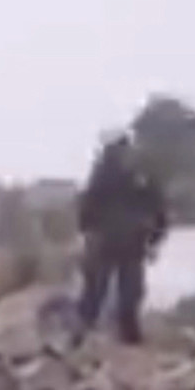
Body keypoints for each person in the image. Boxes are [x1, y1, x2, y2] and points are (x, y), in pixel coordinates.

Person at [74, 134, 168, 345]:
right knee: (102, 291)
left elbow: (158, 210)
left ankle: (119, 334)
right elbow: (88, 207)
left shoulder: (132, 176)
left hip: (124, 242)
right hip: (113, 241)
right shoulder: (117, 174)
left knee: (122, 292)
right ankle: (85, 332)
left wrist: (154, 239)